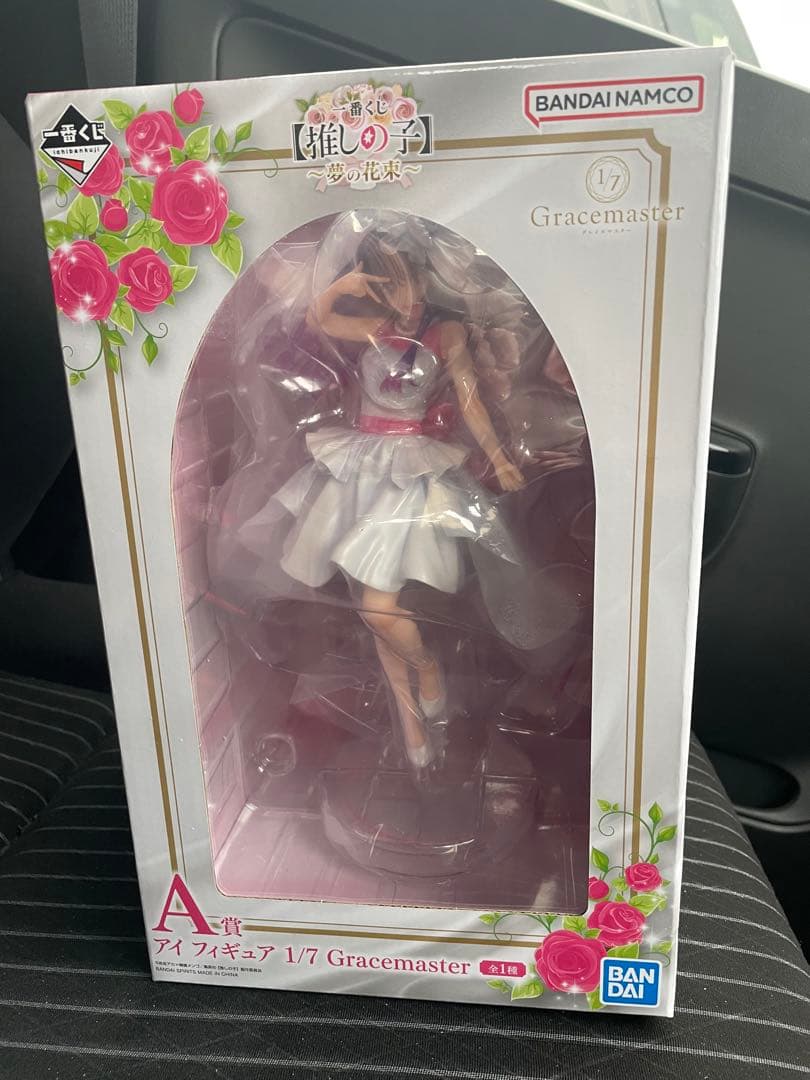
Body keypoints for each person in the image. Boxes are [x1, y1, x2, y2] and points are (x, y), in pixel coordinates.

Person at [251, 216, 526, 770]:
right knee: (369, 609)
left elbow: (470, 401)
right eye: (387, 283)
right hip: (360, 464)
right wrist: (345, 285)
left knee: (379, 607)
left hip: (407, 471)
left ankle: (427, 667)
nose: (401, 296)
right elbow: (316, 318)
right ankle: (413, 730)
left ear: (424, 281)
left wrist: (499, 457)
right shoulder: (373, 326)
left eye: (407, 281)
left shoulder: (445, 334)